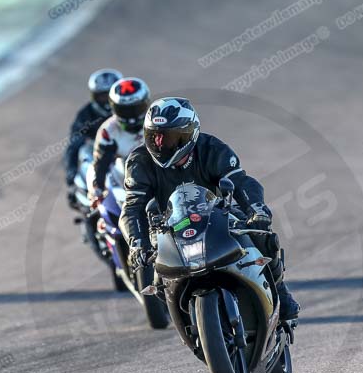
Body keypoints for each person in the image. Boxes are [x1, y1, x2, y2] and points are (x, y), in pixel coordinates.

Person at [119, 97, 300, 321]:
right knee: (158, 282)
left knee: (261, 235)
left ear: (188, 135)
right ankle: (189, 319)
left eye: (168, 137)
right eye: (153, 135)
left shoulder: (212, 148)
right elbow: (131, 208)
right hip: (169, 225)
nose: (159, 143)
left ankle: (280, 291)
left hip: (217, 214)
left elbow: (242, 182)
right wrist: (137, 245)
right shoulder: (139, 161)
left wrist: (257, 210)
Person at [88, 77, 151, 207]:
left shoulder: (156, 121)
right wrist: (98, 190)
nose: (131, 116)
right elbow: (100, 163)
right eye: (125, 110)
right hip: (123, 180)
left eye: (136, 108)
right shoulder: (108, 130)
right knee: (100, 207)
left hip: (159, 174)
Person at [64, 68, 122, 206]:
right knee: (84, 151)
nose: (107, 100)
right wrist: (71, 172)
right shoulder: (85, 115)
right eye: (103, 96)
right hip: (96, 156)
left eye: (110, 95)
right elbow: (74, 144)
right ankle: (89, 195)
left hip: (123, 154)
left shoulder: (128, 108)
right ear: (94, 96)